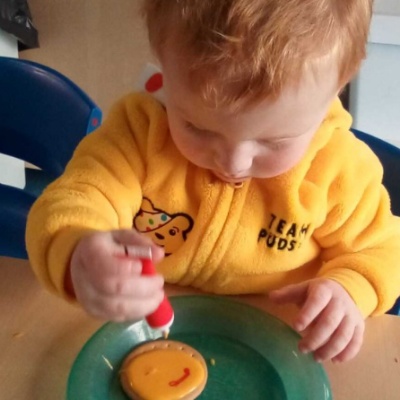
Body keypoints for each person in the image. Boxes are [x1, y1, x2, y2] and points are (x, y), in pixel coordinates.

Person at [26, 0, 400, 364]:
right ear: (164, 67)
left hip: (275, 346)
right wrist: (77, 251)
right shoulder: (140, 133)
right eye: (197, 127)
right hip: (143, 331)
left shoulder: (339, 170)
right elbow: (75, 199)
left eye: (273, 142)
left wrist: (350, 289)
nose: (233, 163)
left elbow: (383, 251)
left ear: (338, 87)